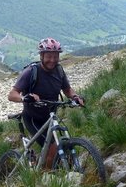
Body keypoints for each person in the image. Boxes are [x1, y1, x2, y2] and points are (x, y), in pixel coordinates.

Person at [8, 37, 84, 168]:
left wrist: (75, 97)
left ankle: (49, 166)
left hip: (50, 116)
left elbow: (67, 89)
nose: (52, 60)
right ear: (41, 55)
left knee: (58, 145)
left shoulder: (59, 71)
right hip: (33, 118)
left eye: (56, 56)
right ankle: (46, 176)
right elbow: (12, 95)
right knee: (53, 146)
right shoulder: (31, 72)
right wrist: (25, 98)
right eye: (49, 56)